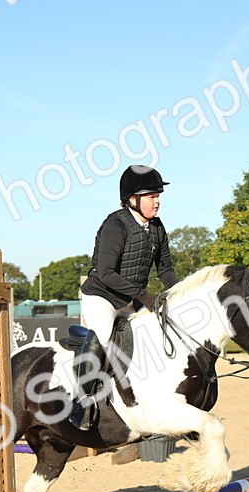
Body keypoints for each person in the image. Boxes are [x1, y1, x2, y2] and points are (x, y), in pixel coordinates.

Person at [71, 165, 178, 430]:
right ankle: (82, 401)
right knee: (103, 334)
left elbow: (165, 269)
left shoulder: (157, 227)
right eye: (151, 196)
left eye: (158, 195)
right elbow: (106, 273)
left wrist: (177, 296)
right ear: (132, 200)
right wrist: (145, 297)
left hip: (132, 298)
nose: (157, 201)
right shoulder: (115, 225)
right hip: (102, 296)